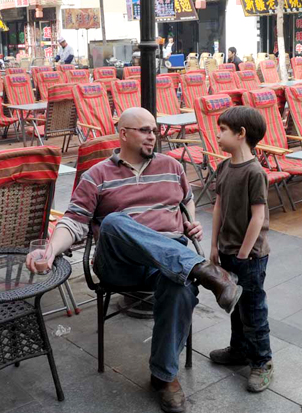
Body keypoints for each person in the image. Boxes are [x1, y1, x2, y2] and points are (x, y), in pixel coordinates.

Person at [26, 107, 242, 413]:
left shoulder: (171, 166)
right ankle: (204, 270)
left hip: (167, 262)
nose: (152, 135)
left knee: (179, 287)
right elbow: (74, 221)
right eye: (143, 130)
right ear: (123, 133)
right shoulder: (97, 175)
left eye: (154, 130)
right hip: (121, 264)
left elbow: (186, 201)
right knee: (115, 222)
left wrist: (191, 222)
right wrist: (50, 250)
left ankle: (164, 376)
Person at [208, 107, 274, 392]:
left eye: (222, 129)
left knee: (253, 309)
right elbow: (219, 207)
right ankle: (239, 350)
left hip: (250, 256)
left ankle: (262, 362)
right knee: (234, 305)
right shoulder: (224, 167)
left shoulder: (254, 172)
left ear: (241, 134)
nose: (218, 134)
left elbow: (258, 216)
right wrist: (213, 244)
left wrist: (244, 254)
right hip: (227, 251)